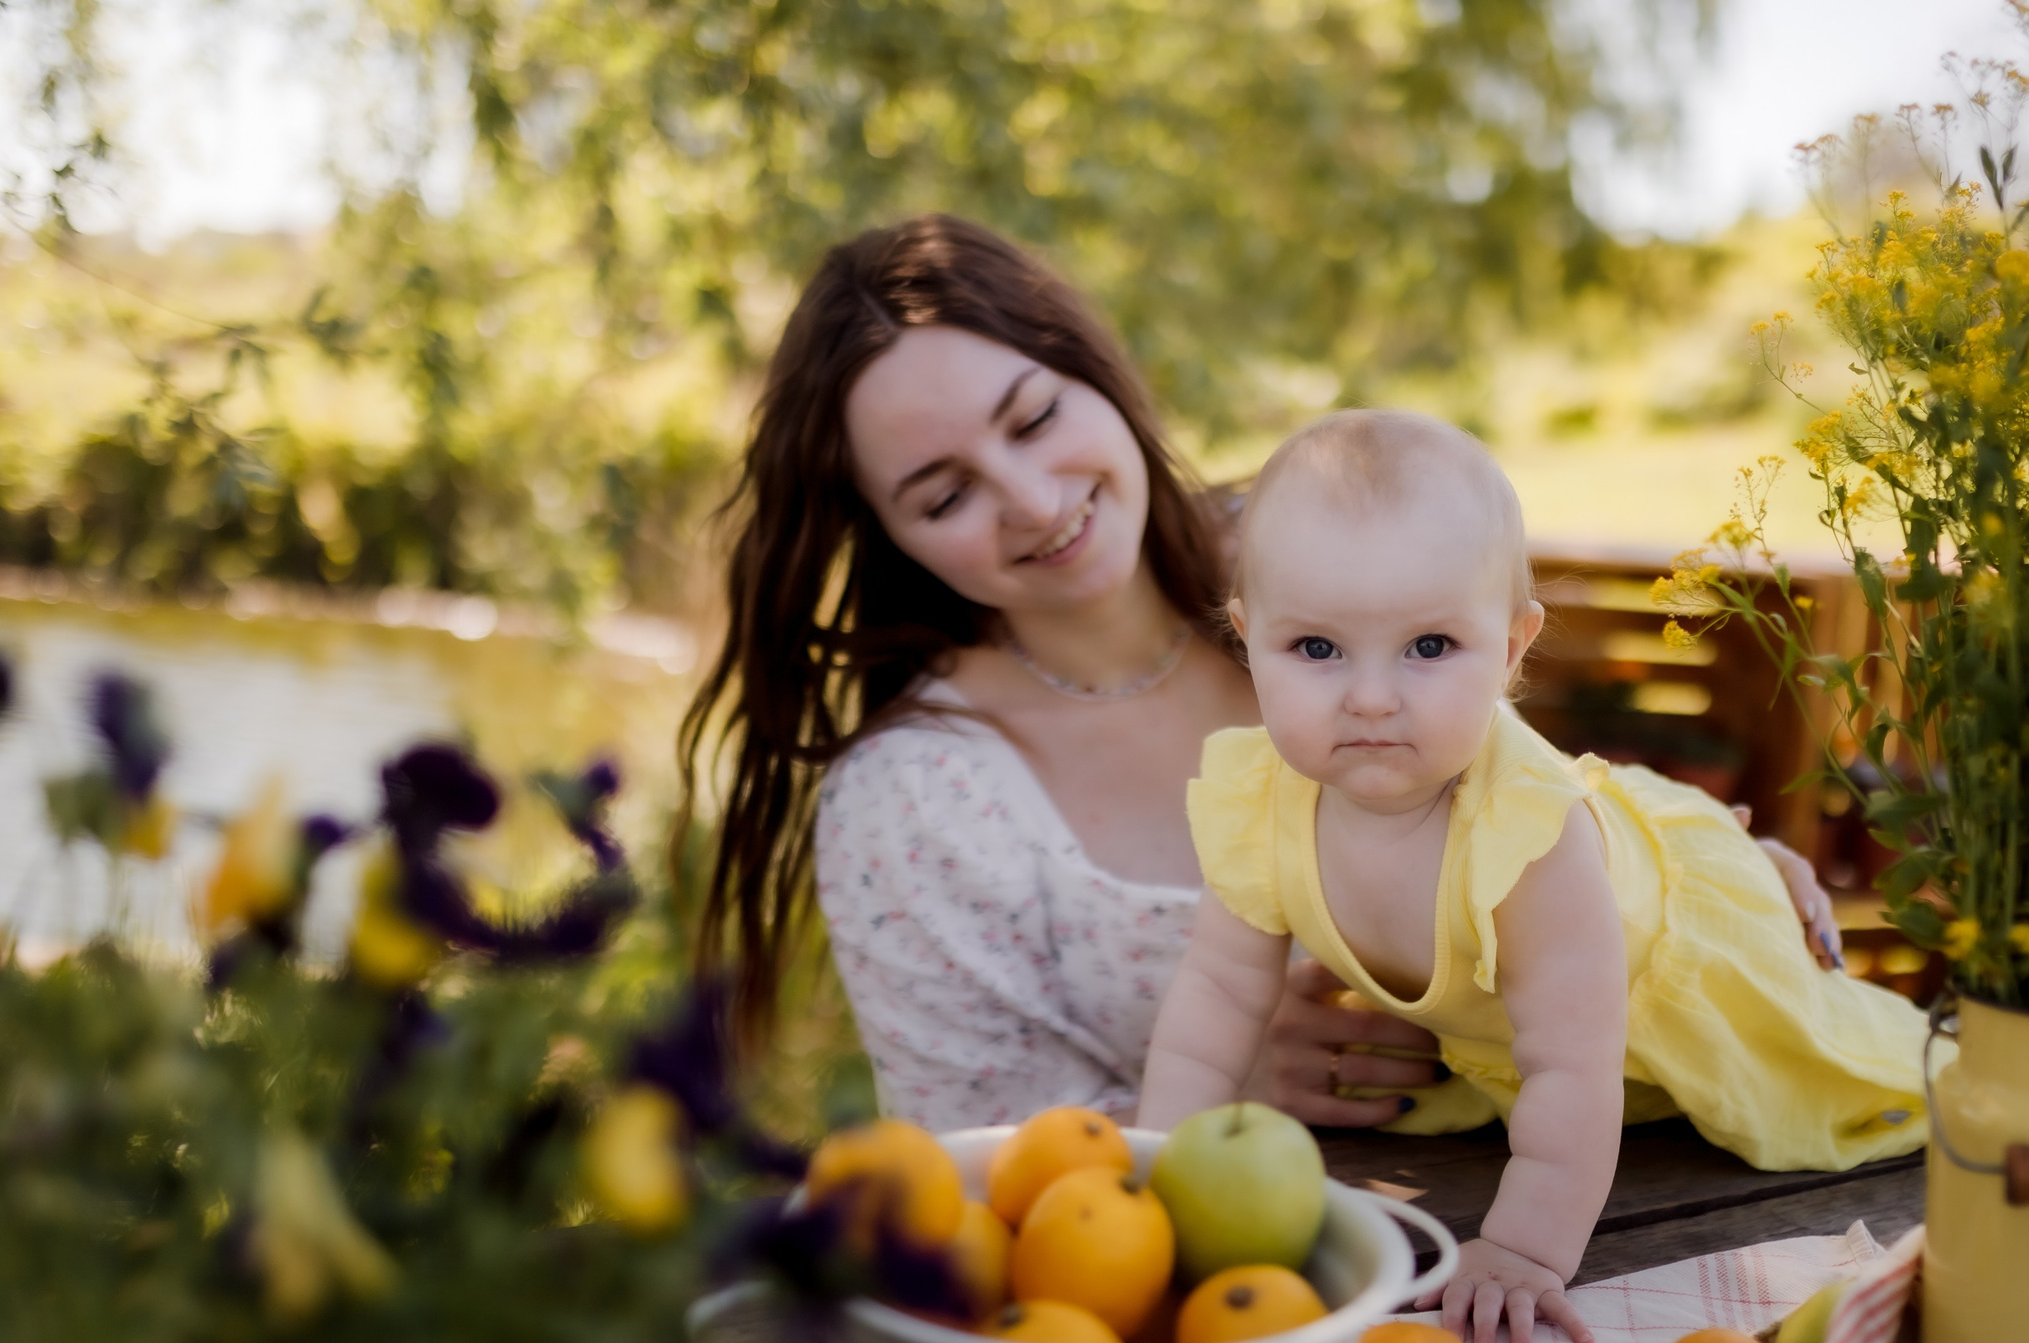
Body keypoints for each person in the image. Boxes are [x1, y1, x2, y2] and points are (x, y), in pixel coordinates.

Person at [681, 214, 1843, 1137]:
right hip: (1251, 1296)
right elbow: (969, 1166)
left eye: (1033, 419)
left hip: (1607, 1192)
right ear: (892, 536)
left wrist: (1705, 886)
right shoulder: (916, 804)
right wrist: (1232, 1092)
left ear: (1091, 375)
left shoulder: (1306, 554)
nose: (1033, 502)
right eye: (944, 494)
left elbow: (1530, 787)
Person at [1135, 411, 1927, 1343]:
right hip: (1522, 1019)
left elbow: (1573, 1063)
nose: (1373, 696)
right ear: (1247, 638)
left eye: (1429, 647)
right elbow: (1216, 998)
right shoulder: (1255, 800)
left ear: (1512, 648)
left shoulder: (1529, 840)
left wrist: (1521, 1248)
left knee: (1840, 1077)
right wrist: (1156, 1173)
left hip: (1673, 954)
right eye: (1316, 648)